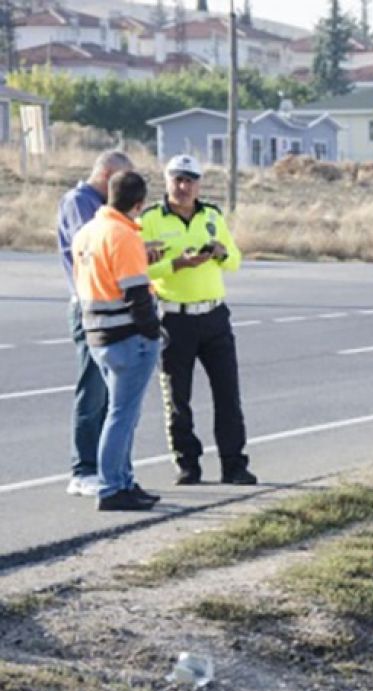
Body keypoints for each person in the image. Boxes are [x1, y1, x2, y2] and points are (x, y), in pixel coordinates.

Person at [141, 155, 257, 486]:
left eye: (190, 180)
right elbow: (139, 267)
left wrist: (219, 252)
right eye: (178, 179)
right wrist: (176, 265)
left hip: (214, 315)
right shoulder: (150, 219)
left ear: (199, 184)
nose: (184, 186)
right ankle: (187, 463)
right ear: (167, 181)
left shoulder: (211, 215)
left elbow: (234, 261)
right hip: (175, 317)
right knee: (178, 397)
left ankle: (234, 464)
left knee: (228, 394)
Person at [71, 171, 164, 511]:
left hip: (97, 333)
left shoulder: (87, 233)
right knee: (122, 415)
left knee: (120, 413)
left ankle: (124, 481)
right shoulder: (123, 235)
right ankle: (112, 487)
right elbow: (136, 293)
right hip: (128, 335)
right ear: (139, 204)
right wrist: (154, 332)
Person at [57, 151, 134, 498]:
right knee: (93, 388)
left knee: (112, 392)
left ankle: (109, 469)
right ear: (105, 176)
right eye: (120, 181)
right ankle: (83, 468)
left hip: (110, 308)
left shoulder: (104, 208)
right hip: (90, 308)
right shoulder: (80, 202)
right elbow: (93, 249)